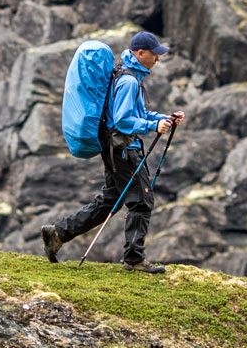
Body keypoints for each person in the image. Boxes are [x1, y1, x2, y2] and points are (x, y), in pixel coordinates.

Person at [41, 31, 184, 273]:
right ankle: (134, 259)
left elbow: (137, 114)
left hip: (116, 149)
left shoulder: (127, 76)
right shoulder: (129, 81)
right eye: (154, 54)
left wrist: (163, 118)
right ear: (140, 53)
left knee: (110, 200)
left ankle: (58, 233)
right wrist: (152, 126)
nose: (157, 59)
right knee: (142, 201)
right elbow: (122, 120)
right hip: (123, 149)